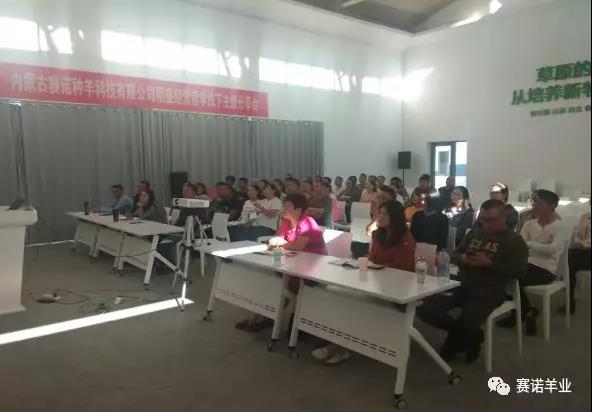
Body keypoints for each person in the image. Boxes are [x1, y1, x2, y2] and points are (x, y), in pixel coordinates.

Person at [417, 199, 528, 363]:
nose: (485, 223)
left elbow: (520, 272)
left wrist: (489, 263)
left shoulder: (514, 241)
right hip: (461, 282)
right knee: (424, 306)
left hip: (489, 289)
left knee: (468, 319)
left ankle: (456, 343)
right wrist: (463, 258)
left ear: (503, 217)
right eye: (482, 219)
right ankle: (474, 336)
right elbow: (454, 254)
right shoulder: (475, 233)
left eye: (490, 220)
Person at [313, 200, 416, 365]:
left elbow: (401, 269)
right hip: (374, 283)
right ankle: (333, 338)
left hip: (395, 290)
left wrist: (374, 266)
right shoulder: (378, 234)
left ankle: (339, 347)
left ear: (395, 217)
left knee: (353, 303)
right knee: (337, 293)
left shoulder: (405, 238)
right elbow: (372, 257)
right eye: (379, 212)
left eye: (385, 214)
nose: (380, 216)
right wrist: (363, 262)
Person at [235, 194, 327, 332]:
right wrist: (280, 243)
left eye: (287, 206)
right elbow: (276, 240)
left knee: (278, 285)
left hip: (312, 271)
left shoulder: (308, 222)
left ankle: (265, 317)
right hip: (291, 264)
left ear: (298, 210)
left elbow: (297, 246)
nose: (283, 208)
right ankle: (261, 316)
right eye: (284, 205)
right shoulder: (287, 222)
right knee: (268, 280)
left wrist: (281, 243)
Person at [497, 190, 565, 335]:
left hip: (546, 270)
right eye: (533, 201)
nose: (533, 204)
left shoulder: (559, 226)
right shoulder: (529, 224)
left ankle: (520, 313)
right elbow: (520, 246)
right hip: (526, 263)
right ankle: (526, 310)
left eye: (538, 201)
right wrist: (532, 246)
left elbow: (552, 249)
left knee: (509, 277)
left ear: (551, 205)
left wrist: (529, 244)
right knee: (502, 274)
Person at [562, 210, 591, 314]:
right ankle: (569, 301)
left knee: (571, 258)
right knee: (569, 261)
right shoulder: (585, 217)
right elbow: (576, 237)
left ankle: (569, 301)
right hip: (583, 253)